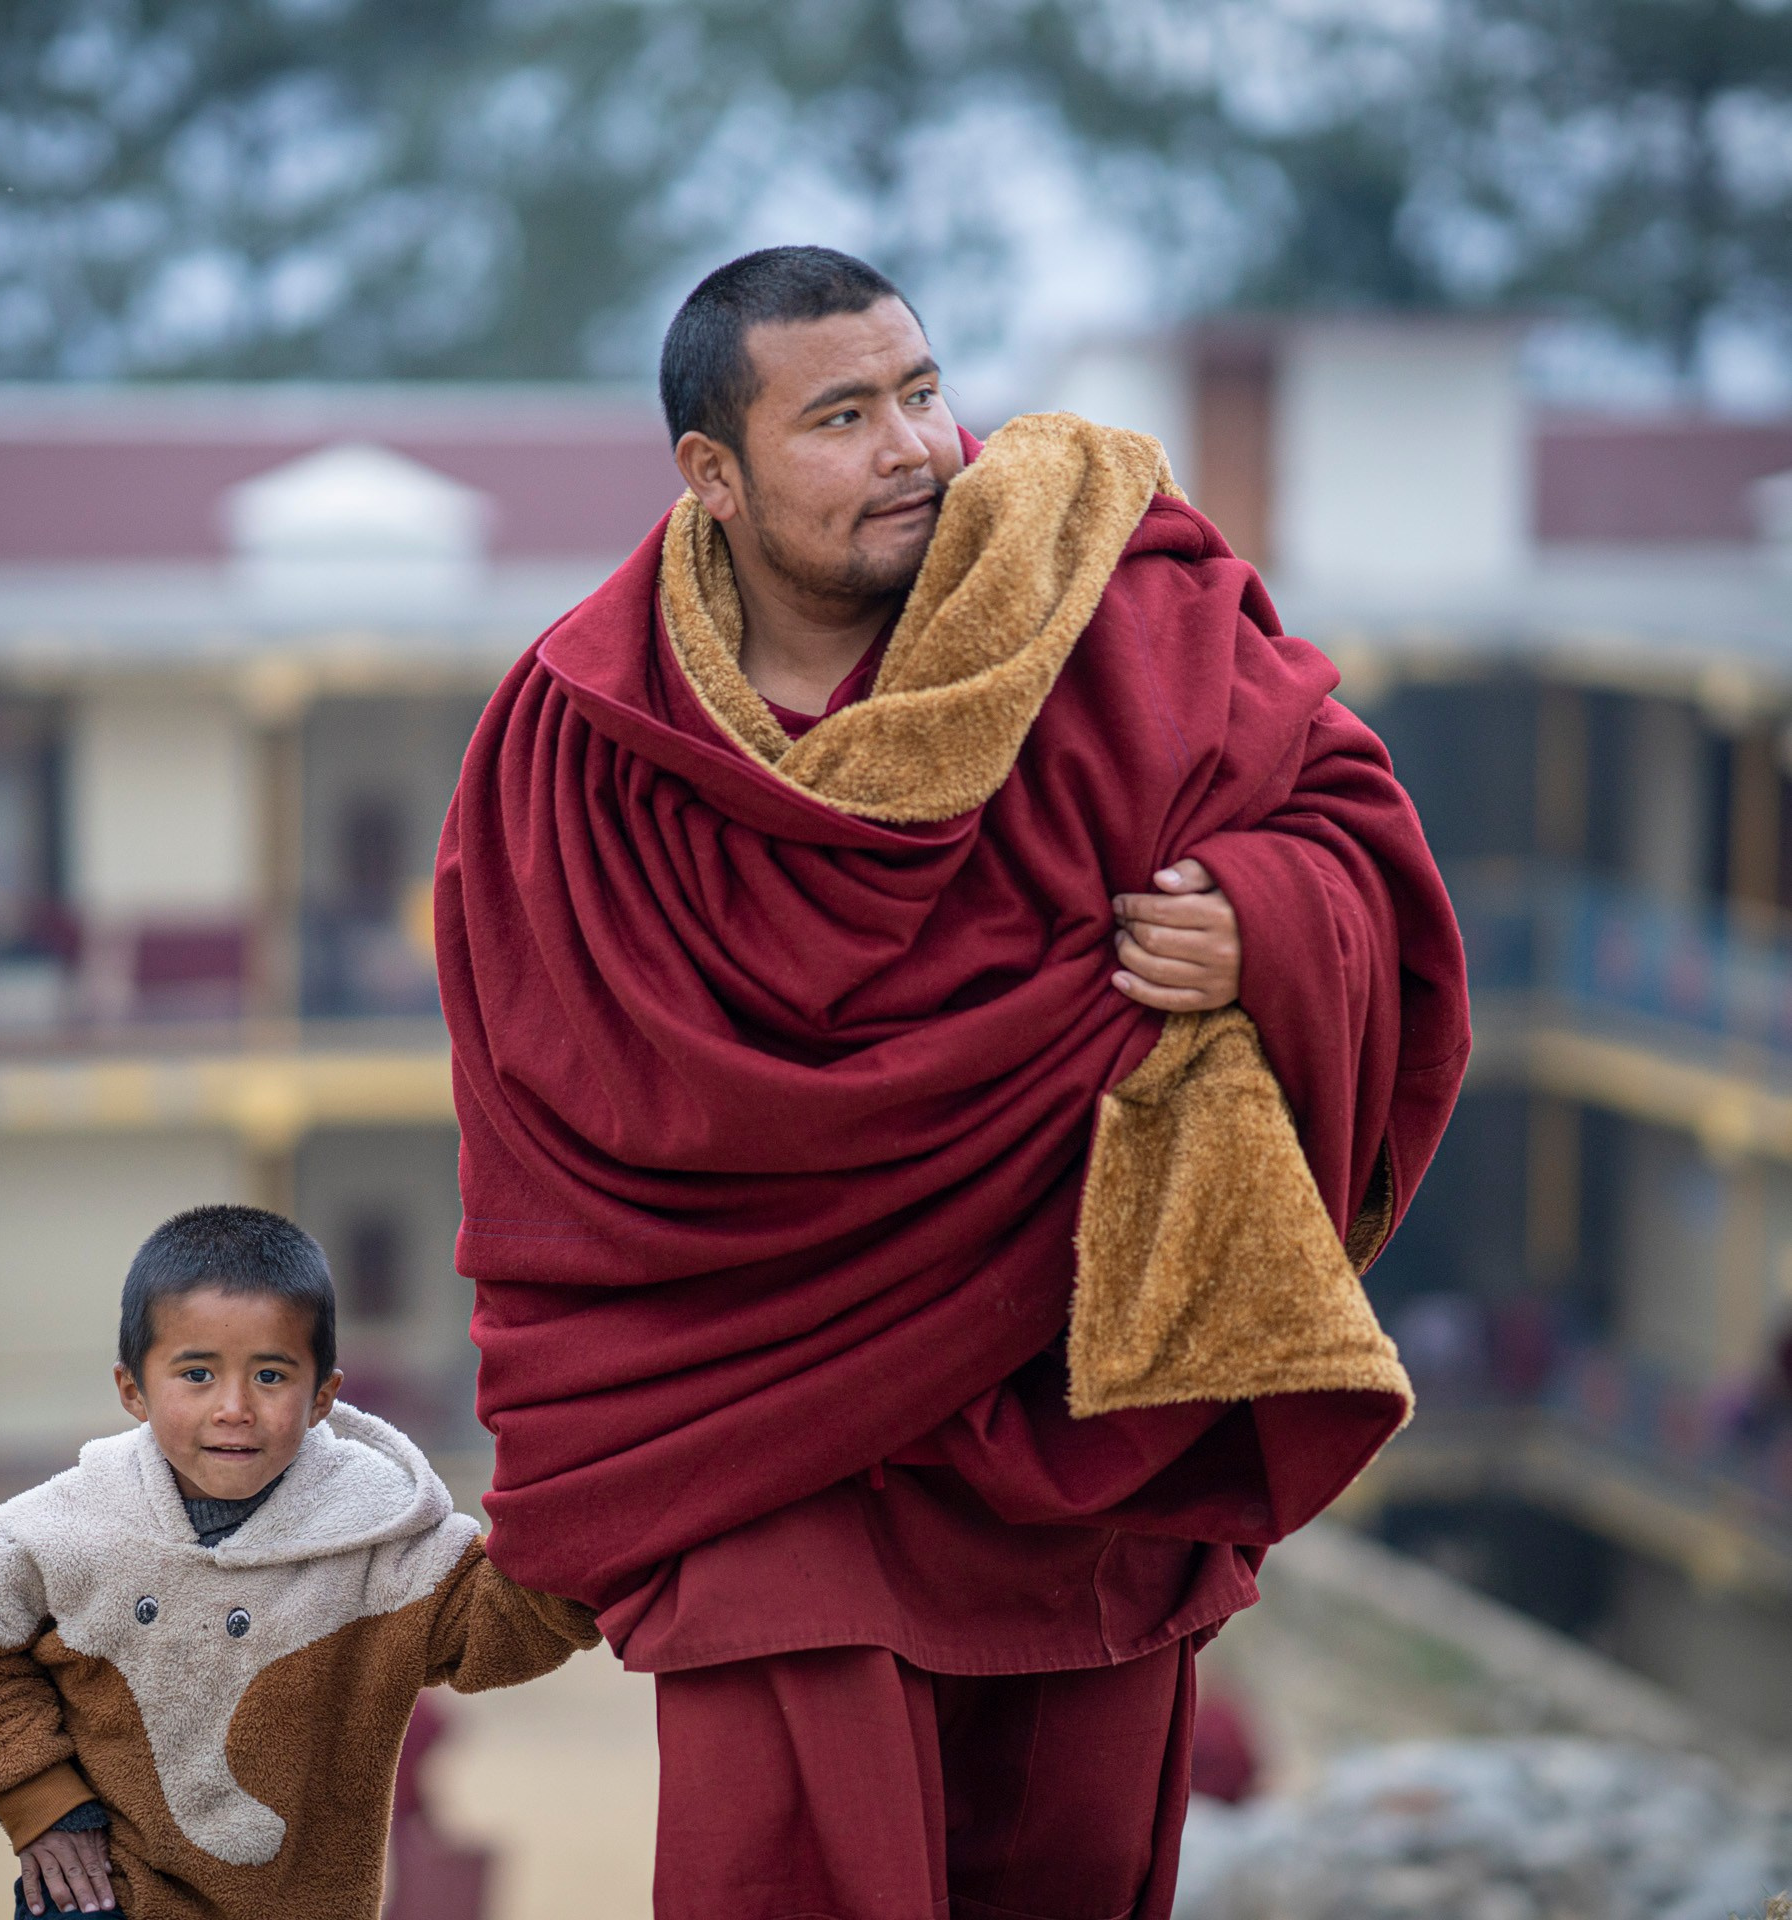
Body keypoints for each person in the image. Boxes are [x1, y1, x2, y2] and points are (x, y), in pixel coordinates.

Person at [435, 246, 1470, 1919]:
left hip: (1074, 1398)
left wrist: (1256, 929)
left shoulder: (1102, 603)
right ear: (711, 474)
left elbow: (1354, 850)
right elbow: (549, 1115)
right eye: (840, 417)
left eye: (919, 391)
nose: (915, 445)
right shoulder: (580, 746)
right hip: (759, 1420)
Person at [0, 1204, 598, 1920]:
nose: (234, 1407)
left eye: (271, 1377)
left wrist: (584, 1501)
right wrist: (40, 1799)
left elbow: (505, 1623)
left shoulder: (381, 1535)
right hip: (100, 1897)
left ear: (322, 1397)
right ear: (133, 1390)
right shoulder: (68, 1526)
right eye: (195, 1374)